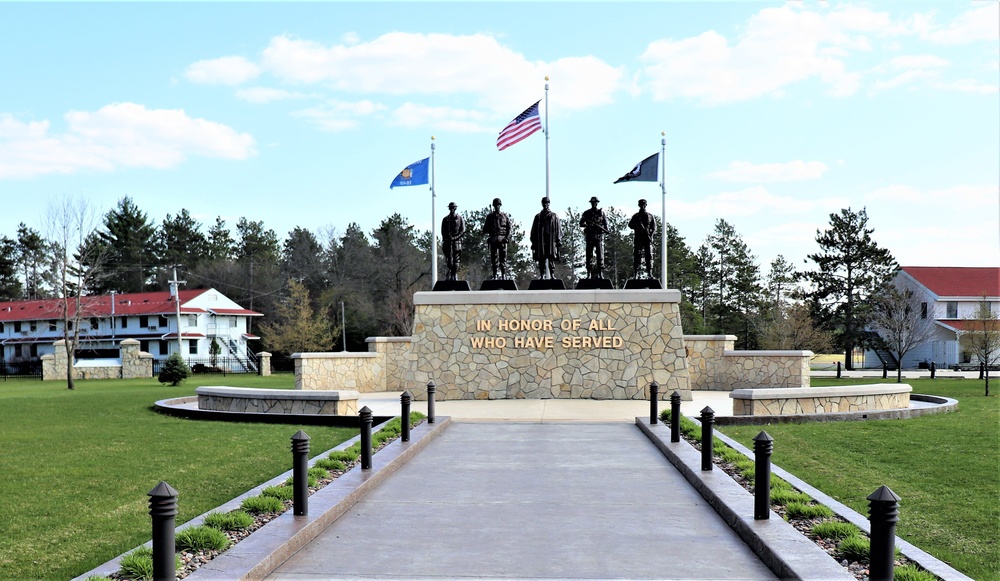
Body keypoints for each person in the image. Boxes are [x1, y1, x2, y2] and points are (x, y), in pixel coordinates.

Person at [530, 196, 561, 279]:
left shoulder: (554, 216)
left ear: (549, 204)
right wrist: (533, 242)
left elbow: (558, 229)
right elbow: (533, 230)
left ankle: (552, 274)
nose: (545, 204)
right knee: (541, 259)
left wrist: (558, 241)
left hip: (551, 240)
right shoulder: (538, 217)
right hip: (541, 240)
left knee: (551, 258)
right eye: (544, 203)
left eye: (547, 203)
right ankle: (542, 275)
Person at [579, 196, 608, 279]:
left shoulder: (601, 213)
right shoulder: (586, 213)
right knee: (589, 255)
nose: (594, 204)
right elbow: (581, 223)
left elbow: (606, 226)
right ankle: (588, 274)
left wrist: (602, 228)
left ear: (597, 203)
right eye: (592, 202)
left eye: (595, 202)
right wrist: (588, 225)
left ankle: (600, 274)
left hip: (599, 236)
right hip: (590, 236)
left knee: (600, 255)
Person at [628, 198, 656, 278]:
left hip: (647, 239)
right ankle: (636, 274)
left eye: (644, 204)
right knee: (637, 256)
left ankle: (650, 274)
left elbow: (654, 227)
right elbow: (630, 225)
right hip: (638, 238)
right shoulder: (636, 216)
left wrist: (650, 235)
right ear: (639, 205)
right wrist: (637, 227)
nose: (642, 206)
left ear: (646, 205)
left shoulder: (650, 216)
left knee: (649, 256)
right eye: (641, 204)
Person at [484, 198, 511, 279]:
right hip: (493, 239)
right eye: (495, 205)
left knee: (503, 259)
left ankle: (503, 274)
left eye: (498, 205)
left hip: (502, 240)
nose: (497, 206)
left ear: (500, 205)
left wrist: (507, 237)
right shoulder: (490, 217)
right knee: (494, 259)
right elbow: (484, 229)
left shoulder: (505, 216)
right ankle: (495, 275)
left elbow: (509, 228)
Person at [441, 202, 465, 281]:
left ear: (455, 208)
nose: (452, 209)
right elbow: (443, 231)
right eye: (451, 208)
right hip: (448, 242)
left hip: (457, 242)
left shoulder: (460, 218)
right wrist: (447, 238)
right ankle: (450, 273)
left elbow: (463, 230)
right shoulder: (445, 219)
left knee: (456, 260)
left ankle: (455, 274)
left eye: (453, 208)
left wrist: (456, 237)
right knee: (449, 260)